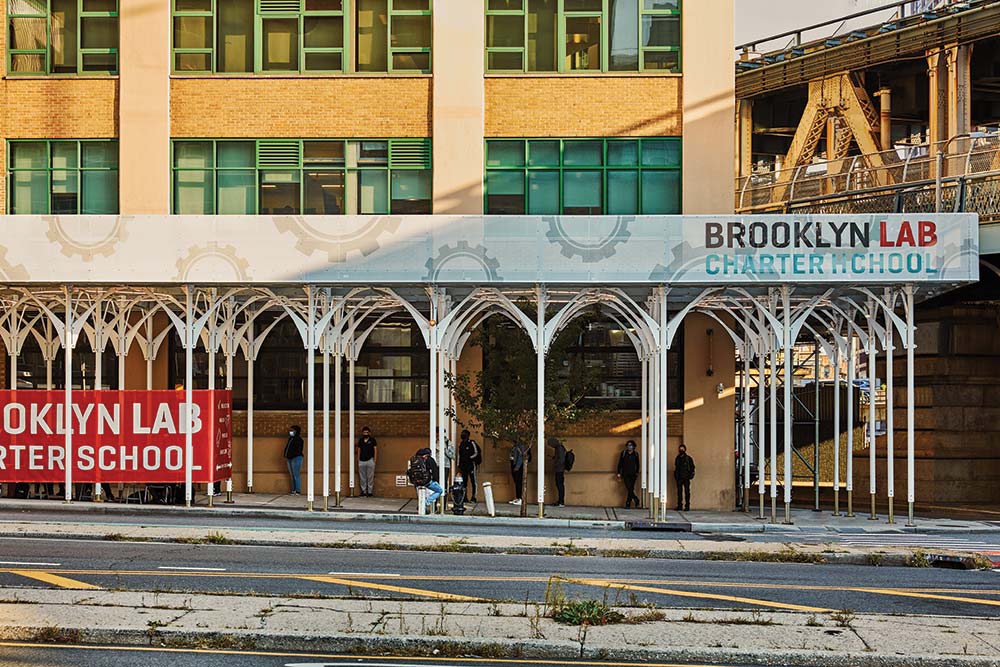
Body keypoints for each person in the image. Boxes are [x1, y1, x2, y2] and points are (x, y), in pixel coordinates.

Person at [414, 447, 443, 513]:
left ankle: (422, 506)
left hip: (416, 482)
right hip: (427, 481)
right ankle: (425, 503)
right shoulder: (430, 459)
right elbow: (435, 471)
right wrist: (435, 480)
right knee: (439, 490)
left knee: (421, 495)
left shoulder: (414, 460)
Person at [457, 430, 482, 502]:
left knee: (473, 481)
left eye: (464, 434)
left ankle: (474, 497)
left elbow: (476, 452)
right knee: (464, 482)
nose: (463, 435)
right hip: (463, 466)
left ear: (468, 435)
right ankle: (464, 497)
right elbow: (459, 455)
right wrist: (459, 465)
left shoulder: (471, 443)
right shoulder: (461, 444)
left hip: (471, 465)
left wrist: (469, 458)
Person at [617, 440, 641, 509]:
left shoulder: (635, 454)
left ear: (633, 446)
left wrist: (637, 472)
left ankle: (628, 503)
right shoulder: (624, 453)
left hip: (633, 474)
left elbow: (637, 464)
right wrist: (619, 473)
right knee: (629, 488)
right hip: (625, 473)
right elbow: (620, 463)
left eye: (630, 445)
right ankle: (636, 499)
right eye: (628, 445)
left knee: (631, 488)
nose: (629, 446)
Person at [356, 426, 377, 497]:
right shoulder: (361, 440)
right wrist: (358, 460)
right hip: (361, 461)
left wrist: (374, 460)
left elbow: (375, 450)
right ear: (362, 433)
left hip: (370, 460)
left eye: (367, 432)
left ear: (369, 433)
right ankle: (363, 491)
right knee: (362, 477)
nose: (365, 434)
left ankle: (370, 492)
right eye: (364, 432)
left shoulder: (373, 440)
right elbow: (359, 450)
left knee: (370, 477)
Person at [674, 443, 695, 511]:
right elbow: (676, 467)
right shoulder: (677, 458)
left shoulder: (688, 458)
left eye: (682, 449)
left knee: (687, 492)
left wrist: (690, 475)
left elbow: (692, 467)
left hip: (686, 478)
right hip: (679, 478)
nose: (681, 450)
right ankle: (679, 505)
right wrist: (676, 476)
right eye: (680, 449)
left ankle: (687, 506)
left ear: (685, 450)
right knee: (679, 492)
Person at [508, 441, 531, 505]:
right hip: (513, 464)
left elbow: (521, 456)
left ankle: (520, 498)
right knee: (516, 482)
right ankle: (517, 497)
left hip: (518, 466)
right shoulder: (515, 446)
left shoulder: (520, 446)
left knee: (519, 482)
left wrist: (517, 466)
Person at [284, 425, 304, 495]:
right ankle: (293, 490)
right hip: (289, 458)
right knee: (292, 475)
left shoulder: (299, 439)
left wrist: (291, 455)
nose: (290, 432)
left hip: (296, 458)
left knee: (296, 475)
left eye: (292, 430)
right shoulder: (291, 439)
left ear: (296, 431)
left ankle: (298, 491)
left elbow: (298, 450)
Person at [547, 436, 567, 507]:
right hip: (559, 469)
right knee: (559, 485)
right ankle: (560, 501)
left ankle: (561, 502)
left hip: (559, 469)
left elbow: (561, 460)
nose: (551, 446)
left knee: (560, 485)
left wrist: (556, 464)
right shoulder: (558, 448)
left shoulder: (560, 448)